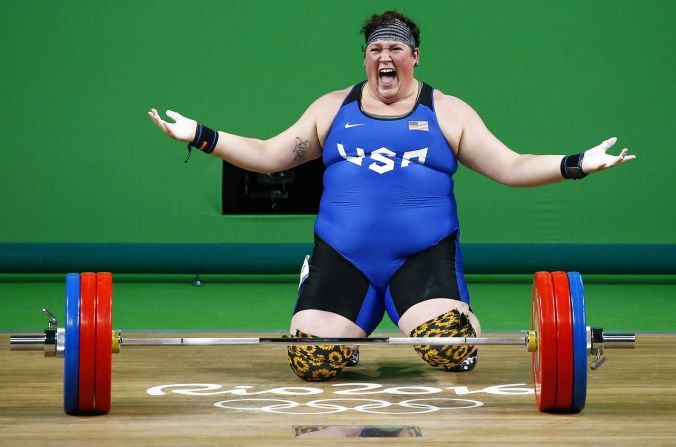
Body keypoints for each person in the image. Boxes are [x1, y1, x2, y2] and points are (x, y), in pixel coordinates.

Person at [148, 11, 635, 382]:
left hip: (421, 262)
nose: (385, 57)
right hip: (343, 259)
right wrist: (200, 135)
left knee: (452, 351)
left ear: (415, 56)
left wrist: (575, 164)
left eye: (396, 50)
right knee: (311, 361)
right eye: (376, 48)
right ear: (365, 57)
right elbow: (270, 154)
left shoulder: (448, 112)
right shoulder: (331, 108)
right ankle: (322, 302)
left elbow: (509, 166)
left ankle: (440, 320)